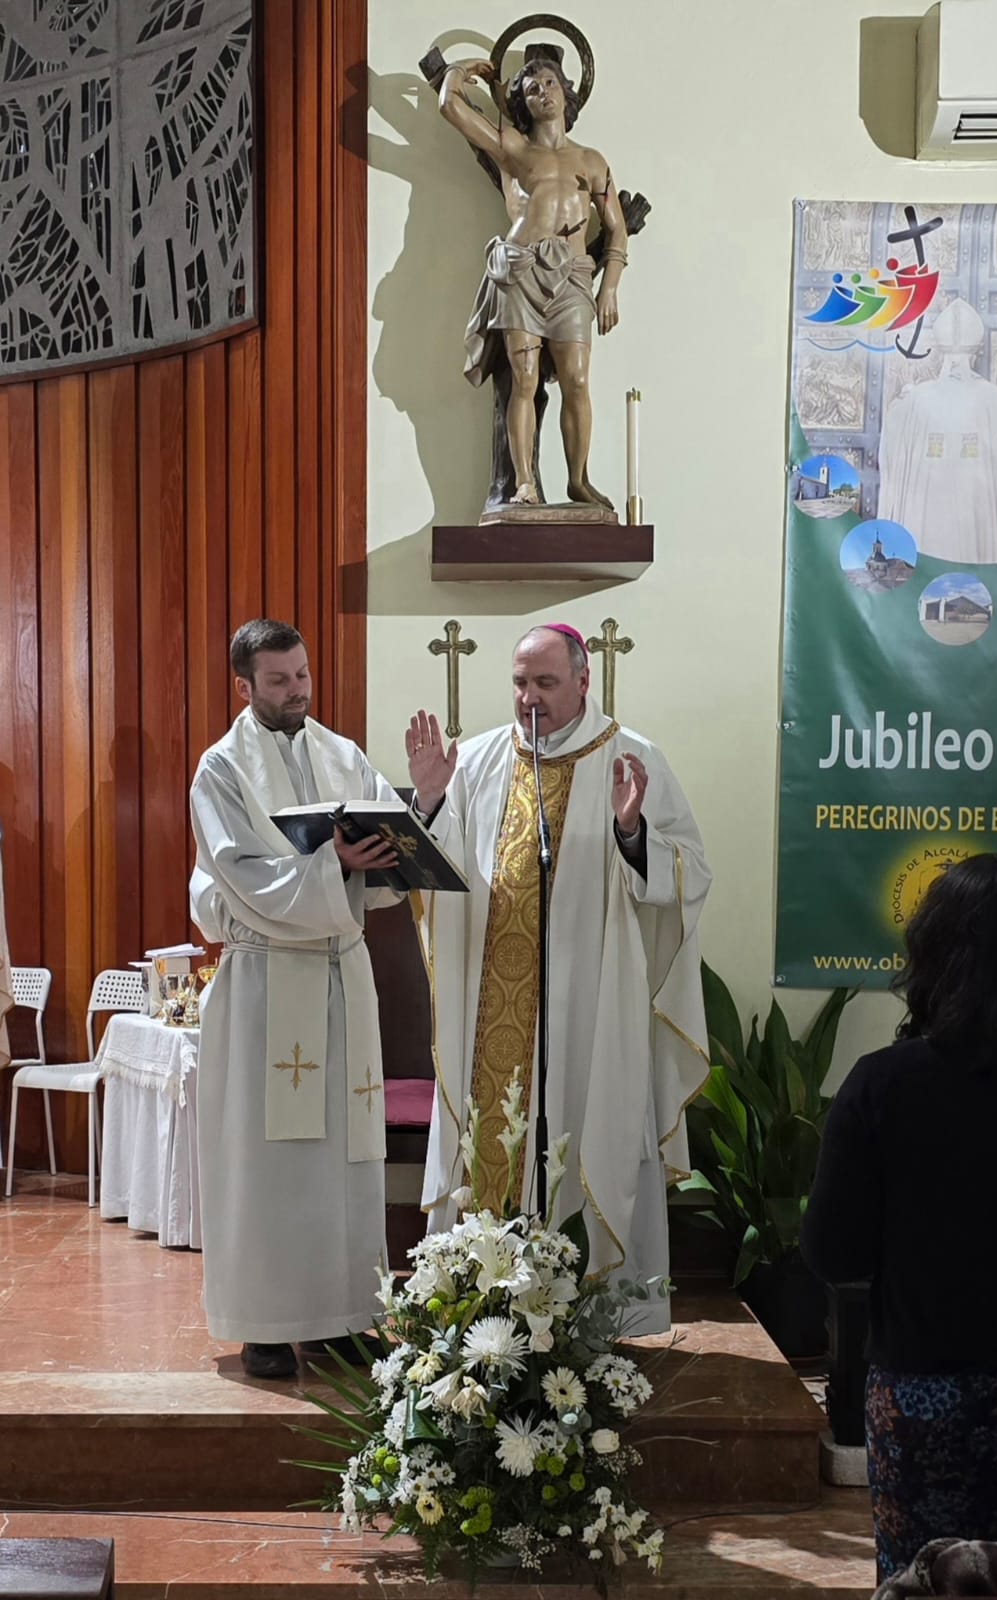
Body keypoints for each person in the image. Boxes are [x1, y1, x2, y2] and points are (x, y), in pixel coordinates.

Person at [800, 854, 997, 1585]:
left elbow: (832, 1254)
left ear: (929, 958)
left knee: (933, 1582)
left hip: (927, 1402)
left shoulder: (881, 1085)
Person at [407, 624, 710, 1334]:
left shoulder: (632, 760)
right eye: (519, 683)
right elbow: (434, 878)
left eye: (545, 683)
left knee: (584, 1129)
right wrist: (425, 805)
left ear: (582, 681)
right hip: (491, 1015)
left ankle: (589, 1321)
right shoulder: (478, 759)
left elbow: (689, 874)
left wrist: (632, 835)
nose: (529, 699)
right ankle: (480, 1314)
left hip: (590, 1011)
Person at [189, 619, 400, 1380]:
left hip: (342, 976)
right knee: (267, 1160)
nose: (297, 691)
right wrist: (330, 866)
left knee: (345, 1157)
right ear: (244, 686)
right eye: (278, 680)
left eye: (302, 674)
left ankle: (343, 1319)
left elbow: (388, 854)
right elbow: (240, 874)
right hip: (267, 981)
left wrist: (417, 820)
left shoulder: (342, 756)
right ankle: (267, 1325)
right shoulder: (220, 771)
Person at [438, 55, 628, 509]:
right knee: (523, 379)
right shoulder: (514, 149)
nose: (544, 93)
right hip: (521, 271)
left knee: (577, 379)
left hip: (574, 279)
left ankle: (578, 480)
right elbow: (450, 105)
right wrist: (461, 70)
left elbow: (616, 228)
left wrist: (610, 287)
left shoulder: (592, 160)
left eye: (550, 83)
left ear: (566, 90)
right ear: (524, 104)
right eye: (532, 89)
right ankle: (524, 482)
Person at [877, 298, 997, 563]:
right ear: (978, 352)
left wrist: (902, 400)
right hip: (977, 518)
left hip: (925, 518)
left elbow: (894, 434)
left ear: (939, 350)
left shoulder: (915, 400)